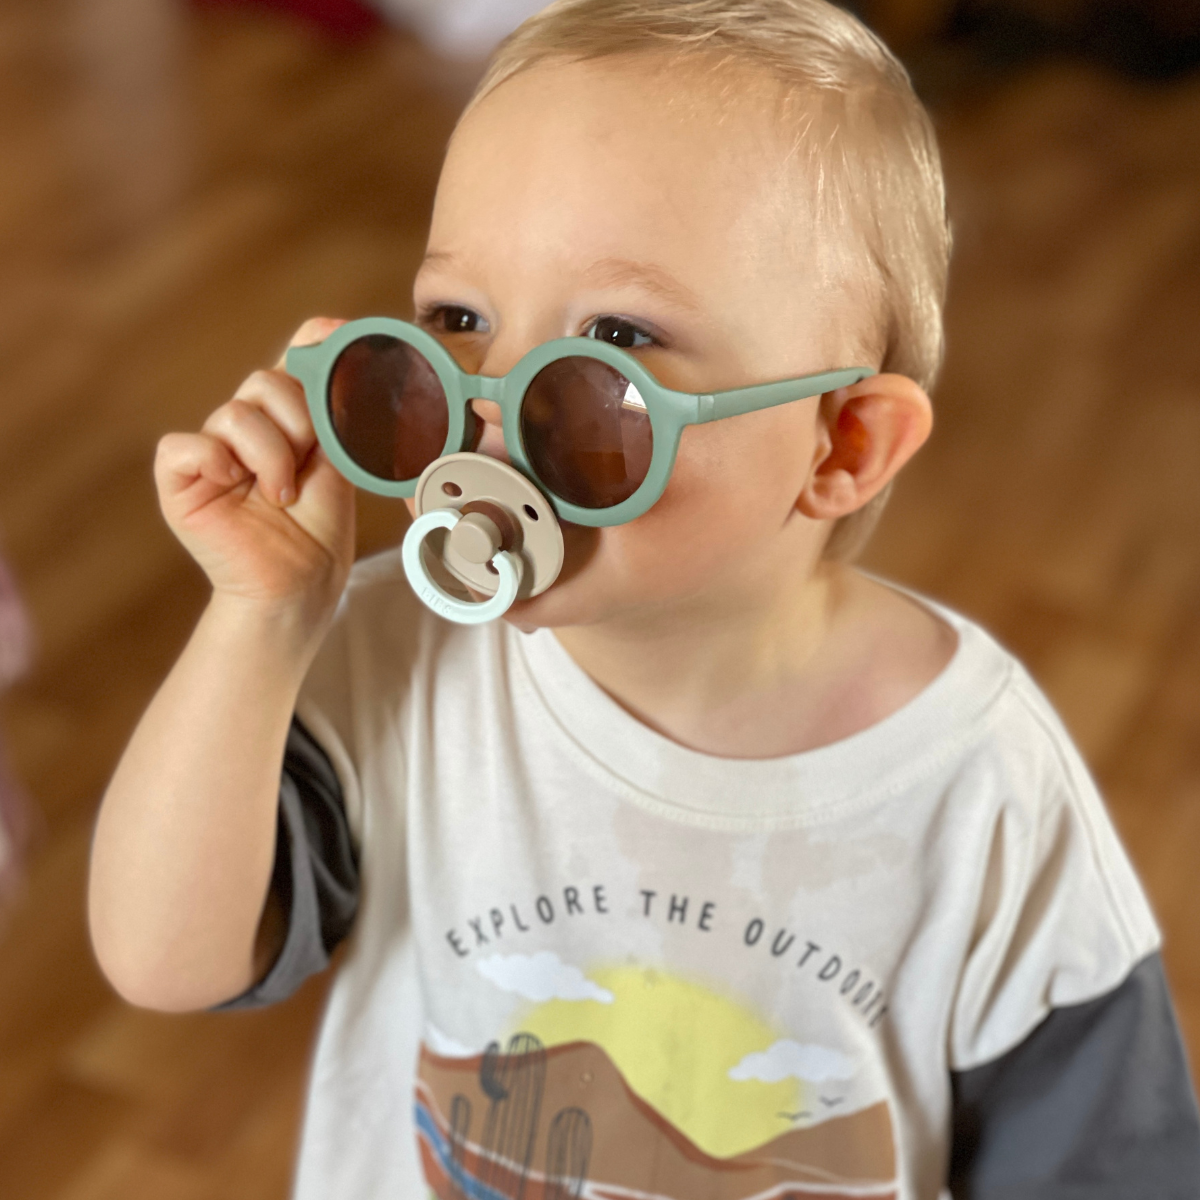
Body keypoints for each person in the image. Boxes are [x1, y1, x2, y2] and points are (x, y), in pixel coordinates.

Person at [87, 1, 1200, 1197]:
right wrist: (260, 619)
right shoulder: (391, 657)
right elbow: (165, 960)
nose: (488, 408)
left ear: (841, 445)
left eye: (614, 341)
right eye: (458, 321)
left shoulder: (977, 790)